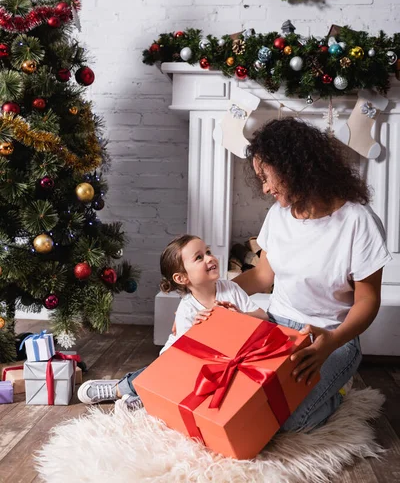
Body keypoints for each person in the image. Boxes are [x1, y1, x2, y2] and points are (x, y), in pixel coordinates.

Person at [232, 116, 391, 432]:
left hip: (329, 336)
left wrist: (331, 341)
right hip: (275, 325)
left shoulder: (358, 221)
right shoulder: (279, 215)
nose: (264, 188)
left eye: (266, 176)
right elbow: (263, 275)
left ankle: (335, 393)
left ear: (293, 166)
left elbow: (368, 300)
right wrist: (220, 293)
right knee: (233, 395)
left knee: (284, 422)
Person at [77, 234, 268, 410]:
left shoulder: (231, 289)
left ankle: (142, 400)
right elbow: (183, 357)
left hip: (219, 363)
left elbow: (264, 318)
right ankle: (122, 388)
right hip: (178, 360)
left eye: (208, 252)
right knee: (165, 376)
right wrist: (197, 329)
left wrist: (240, 315)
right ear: (182, 277)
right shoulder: (188, 309)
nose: (210, 258)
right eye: (199, 257)